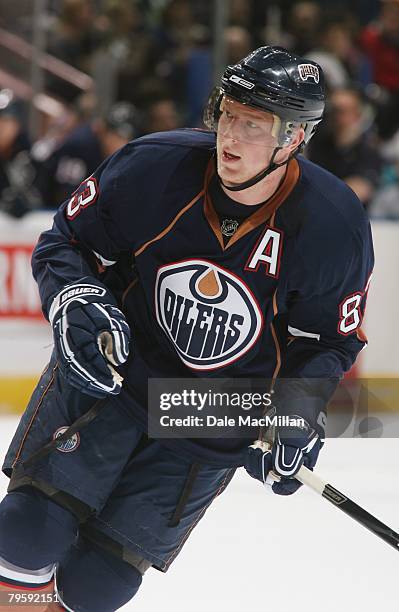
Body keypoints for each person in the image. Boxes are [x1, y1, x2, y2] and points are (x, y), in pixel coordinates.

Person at [0, 46, 373, 611]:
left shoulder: (331, 225)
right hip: (117, 375)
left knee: (98, 589)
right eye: (228, 114)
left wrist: (295, 411)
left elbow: (329, 341)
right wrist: (75, 300)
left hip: (210, 411)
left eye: (254, 125)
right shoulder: (153, 166)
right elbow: (66, 242)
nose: (231, 136)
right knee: (24, 536)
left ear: (293, 138)